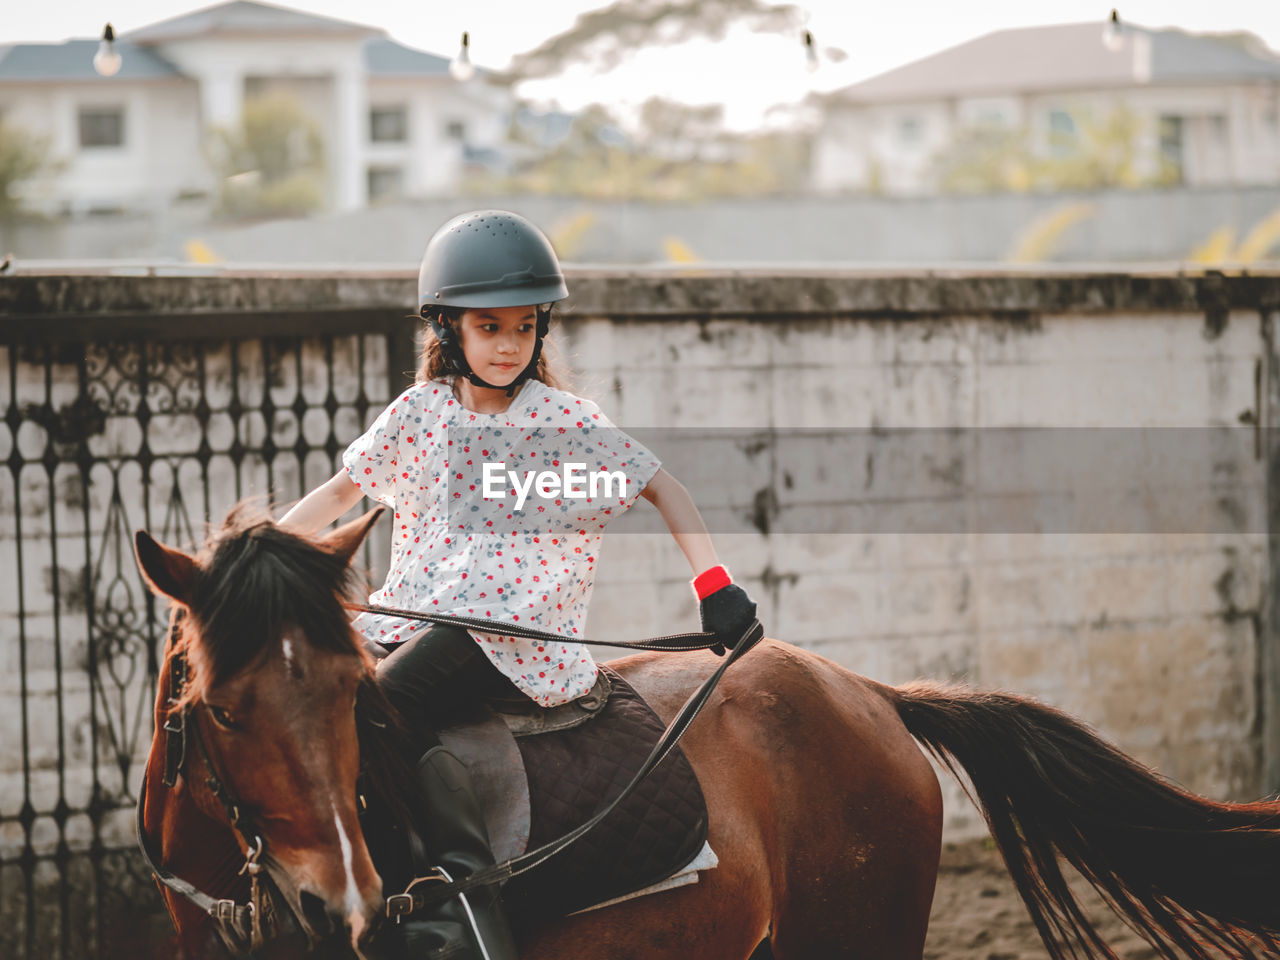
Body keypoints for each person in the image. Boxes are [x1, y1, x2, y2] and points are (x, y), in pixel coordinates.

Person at [279, 210, 759, 960]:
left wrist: (715, 586)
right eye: (489, 327)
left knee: (387, 705)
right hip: (411, 619)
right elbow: (341, 494)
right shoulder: (420, 414)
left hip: (505, 631)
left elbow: (667, 490)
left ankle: (465, 909)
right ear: (449, 332)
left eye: (524, 327)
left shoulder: (565, 423)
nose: (508, 345)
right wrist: (261, 554)